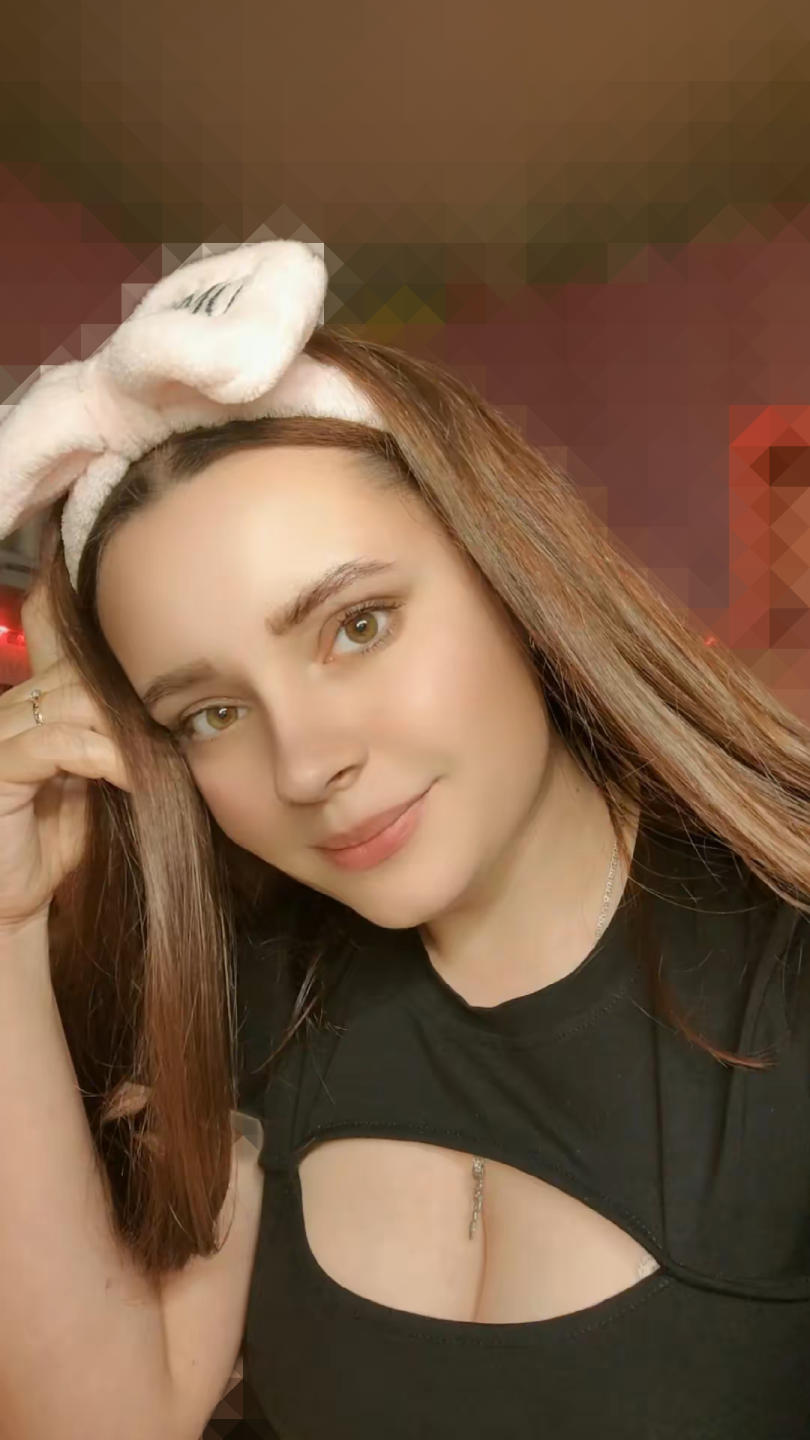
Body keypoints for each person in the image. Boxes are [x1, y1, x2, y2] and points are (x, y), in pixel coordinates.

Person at [0, 240, 808, 1440]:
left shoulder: (783, 983)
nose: (303, 765)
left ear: (511, 573)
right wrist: (8, 924)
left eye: (358, 625)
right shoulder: (257, 997)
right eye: (211, 712)